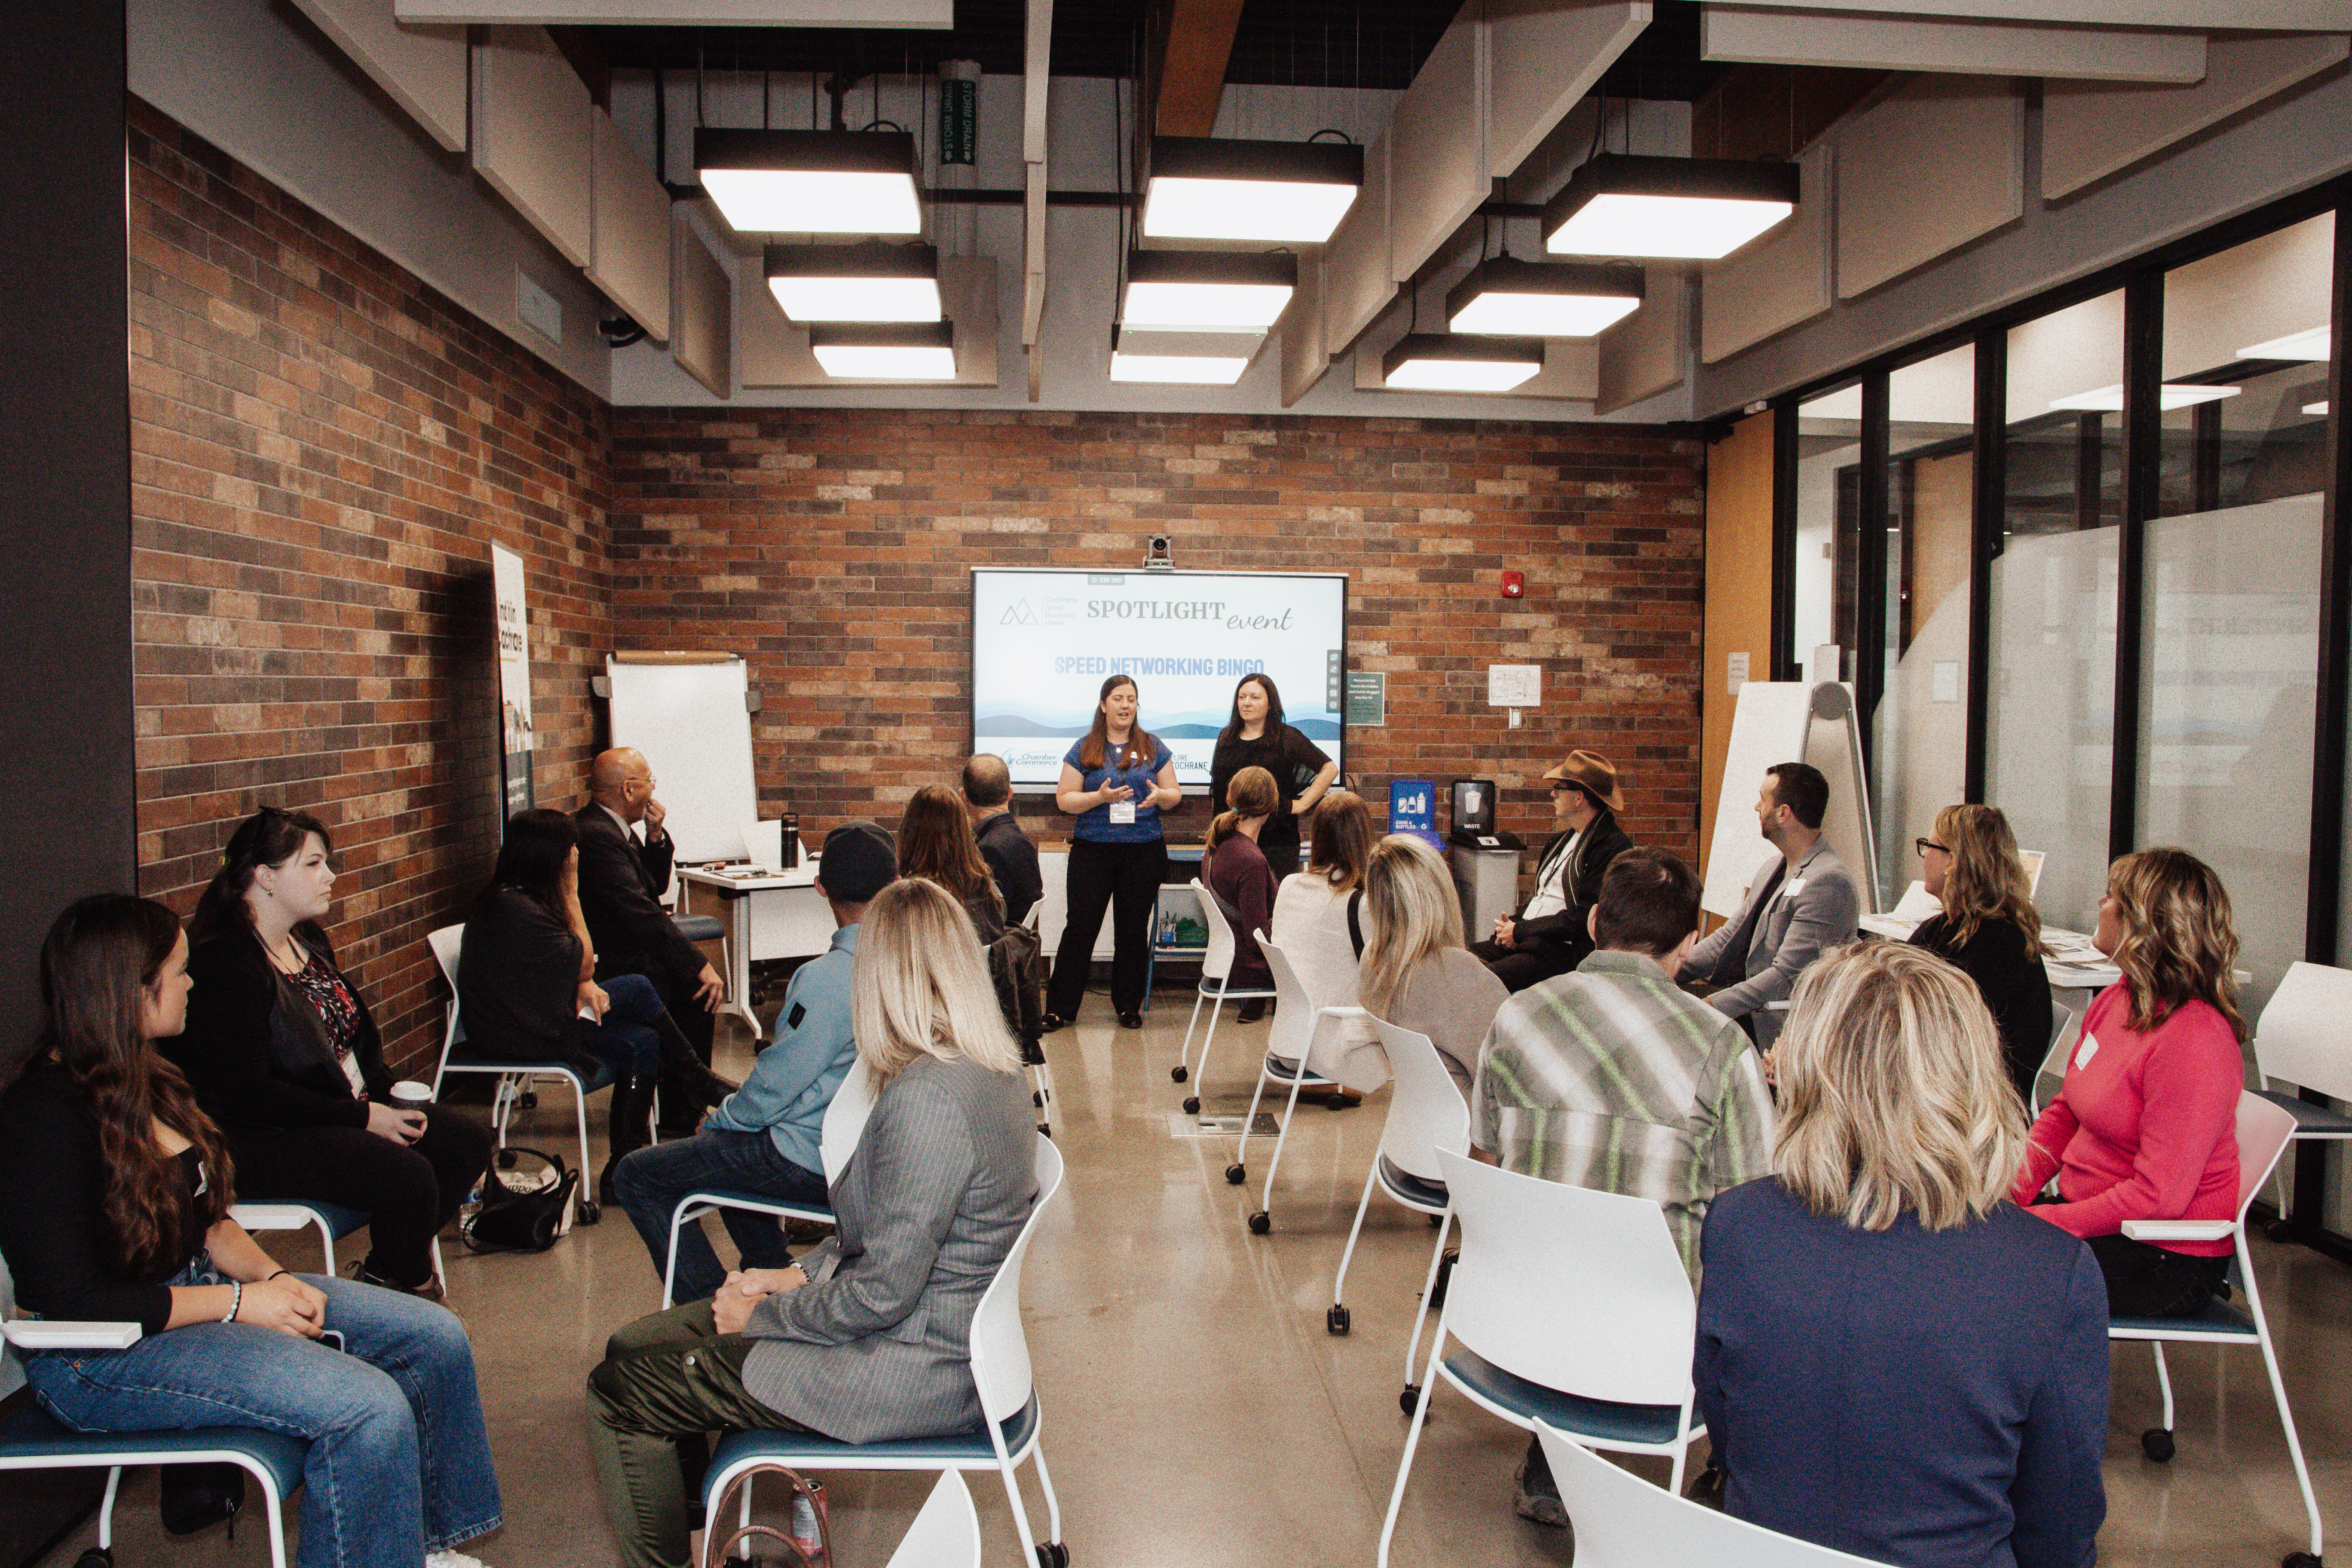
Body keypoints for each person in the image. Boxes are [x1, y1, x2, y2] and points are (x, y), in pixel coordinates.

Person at [0, 895, 503, 1568]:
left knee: (432, 1336)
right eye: (177, 973)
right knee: (365, 1407)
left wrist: (271, 1278)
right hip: (101, 1355)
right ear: (127, 987)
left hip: (191, 1302)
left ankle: (415, 1550)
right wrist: (242, 1306)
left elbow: (211, 1223)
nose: (191, 983)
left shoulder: (146, 1079)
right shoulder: (43, 1115)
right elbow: (73, 1301)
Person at [587, 878, 1038, 1568]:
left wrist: (762, 1316)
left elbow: (881, 1294)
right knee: (627, 1348)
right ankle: (697, 1536)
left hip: (904, 1366)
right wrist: (788, 1274)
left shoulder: (930, 1101)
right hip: (925, 1339)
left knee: (621, 1391)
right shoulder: (990, 1070)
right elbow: (886, 1238)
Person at [1696, 943, 2107, 1568]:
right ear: (1975, 1073)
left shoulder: (1738, 1226)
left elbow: (1732, 1442)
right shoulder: (2050, 1274)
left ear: (1810, 1069)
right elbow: (2060, 1525)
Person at [1473, 847, 1775, 1527]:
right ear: (1691, 942)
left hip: (1522, 1315)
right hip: (1664, 1339)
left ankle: (1549, 1460)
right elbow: (1756, 1211)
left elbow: (1484, 1158)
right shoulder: (1723, 1049)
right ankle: (1732, 1472)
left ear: (1596, 922)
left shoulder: (1515, 1017)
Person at [171, 808, 492, 1295]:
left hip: (330, 1113)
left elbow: (350, 1044)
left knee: (465, 1141)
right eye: (314, 864)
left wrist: (387, 1100)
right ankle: (410, 1289)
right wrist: (362, 1118)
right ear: (265, 878)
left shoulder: (307, 941)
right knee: (408, 1176)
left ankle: (388, 1270)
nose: (331, 876)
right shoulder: (226, 965)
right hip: (258, 1138)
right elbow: (247, 1094)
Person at [612, 821, 897, 1305]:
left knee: (638, 1174)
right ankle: (770, 1275)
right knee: (736, 1151)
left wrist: (722, 1120)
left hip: (818, 1164)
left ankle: (710, 1308)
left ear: (821, 886)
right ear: (894, 885)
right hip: (880, 1156)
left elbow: (775, 1089)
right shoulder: (912, 963)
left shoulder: (827, 978)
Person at [2009, 848, 2244, 1318]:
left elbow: (2159, 1198)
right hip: (2097, 1222)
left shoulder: (2195, 1038)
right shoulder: (2119, 999)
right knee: (1956, 1245)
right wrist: (2008, 1191)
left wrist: (2042, 1221)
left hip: (2161, 1257)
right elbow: (2066, 1113)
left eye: (2113, 896)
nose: (2101, 901)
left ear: (2145, 923)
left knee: (1976, 1271)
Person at [458, 808, 732, 1207]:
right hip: (520, 1034)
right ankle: (696, 1077)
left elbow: (574, 970)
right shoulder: (515, 909)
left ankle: (623, 1168)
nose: (575, 857)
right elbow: (585, 960)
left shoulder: (517, 898)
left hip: (540, 1016)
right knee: (638, 988)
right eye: (569, 850)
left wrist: (584, 982)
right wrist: (572, 893)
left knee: (642, 1041)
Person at [574, 747, 727, 1134]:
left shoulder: (614, 830)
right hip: (612, 964)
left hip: (629, 955)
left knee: (694, 988)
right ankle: (688, 1103)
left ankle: (685, 1106)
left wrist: (656, 837)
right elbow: (641, 913)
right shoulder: (596, 836)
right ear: (629, 789)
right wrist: (698, 963)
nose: (653, 790)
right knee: (695, 985)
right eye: (649, 781)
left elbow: (654, 887)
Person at [1682, 761, 1859, 1052]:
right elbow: (1727, 939)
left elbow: (1785, 976)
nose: (1756, 807)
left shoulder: (1828, 882)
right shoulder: (1772, 868)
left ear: (1784, 813)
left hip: (1776, 1031)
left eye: (1763, 799)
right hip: (1746, 1010)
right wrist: (1667, 970)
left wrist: (1710, 1005)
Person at [1045, 674, 1179, 1032]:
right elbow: (1065, 800)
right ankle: (1061, 1009)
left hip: (1143, 851)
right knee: (1080, 928)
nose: (1125, 706)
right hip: (1093, 851)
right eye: (1118, 699)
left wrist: (1159, 797)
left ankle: (1128, 1006)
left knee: (1133, 930)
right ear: (1104, 705)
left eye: (1131, 699)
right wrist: (1099, 799)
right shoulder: (1084, 748)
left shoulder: (1153, 746)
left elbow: (1174, 795)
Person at [1910, 803, 2052, 1104]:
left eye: (1928, 846)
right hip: (1945, 1088)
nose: (1924, 857)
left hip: (1978, 1107)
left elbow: (1949, 1045)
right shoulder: (1944, 927)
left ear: (1953, 860)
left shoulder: (1998, 946)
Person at [1467, 750, 1634, 993]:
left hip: (1564, 952)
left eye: (1559, 788)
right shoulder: (1560, 841)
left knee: (1483, 982)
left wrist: (1520, 931)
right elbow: (1544, 899)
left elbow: (1584, 918)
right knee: (1459, 962)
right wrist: (1511, 927)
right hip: (1534, 940)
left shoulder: (1611, 847)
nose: (1552, 794)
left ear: (1579, 798)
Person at [1357, 834, 1506, 1095]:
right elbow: (1509, 1076)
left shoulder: (1372, 960)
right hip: (1473, 1127)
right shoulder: (1459, 971)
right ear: (1441, 892)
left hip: (1418, 1122)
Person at [1269, 791, 1380, 1097]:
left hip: (1287, 1044)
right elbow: (1388, 976)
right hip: (1335, 1053)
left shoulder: (1289, 885)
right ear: (1364, 840)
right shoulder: (1362, 904)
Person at [1208, 673, 1338, 880]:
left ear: (1271, 704)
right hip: (1232, 839)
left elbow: (1329, 769)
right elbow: (1218, 790)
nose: (1246, 703)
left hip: (1278, 841)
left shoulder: (1287, 737)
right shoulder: (1227, 737)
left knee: (1274, 903)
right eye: (1242, 697)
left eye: (1255, 698)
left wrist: (1302, 805)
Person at [1204, 765, 1281, 1011]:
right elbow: (1257, 938)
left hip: (1224, 960)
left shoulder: (1217, 844)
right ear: (1271, 807)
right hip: (1247, 968)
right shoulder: (1251, 861)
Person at [900, 783, 1006, 945]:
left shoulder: (910, 900)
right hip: (983, 969)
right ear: (964, 831)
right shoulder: (988, 888)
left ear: (911, 831)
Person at [962, 753, 1042, 927]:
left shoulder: (986, 850)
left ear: (963, 797)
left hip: (997, 948)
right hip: (1018, 944)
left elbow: (984, 922)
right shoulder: (1022, 841)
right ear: (1010, 794)